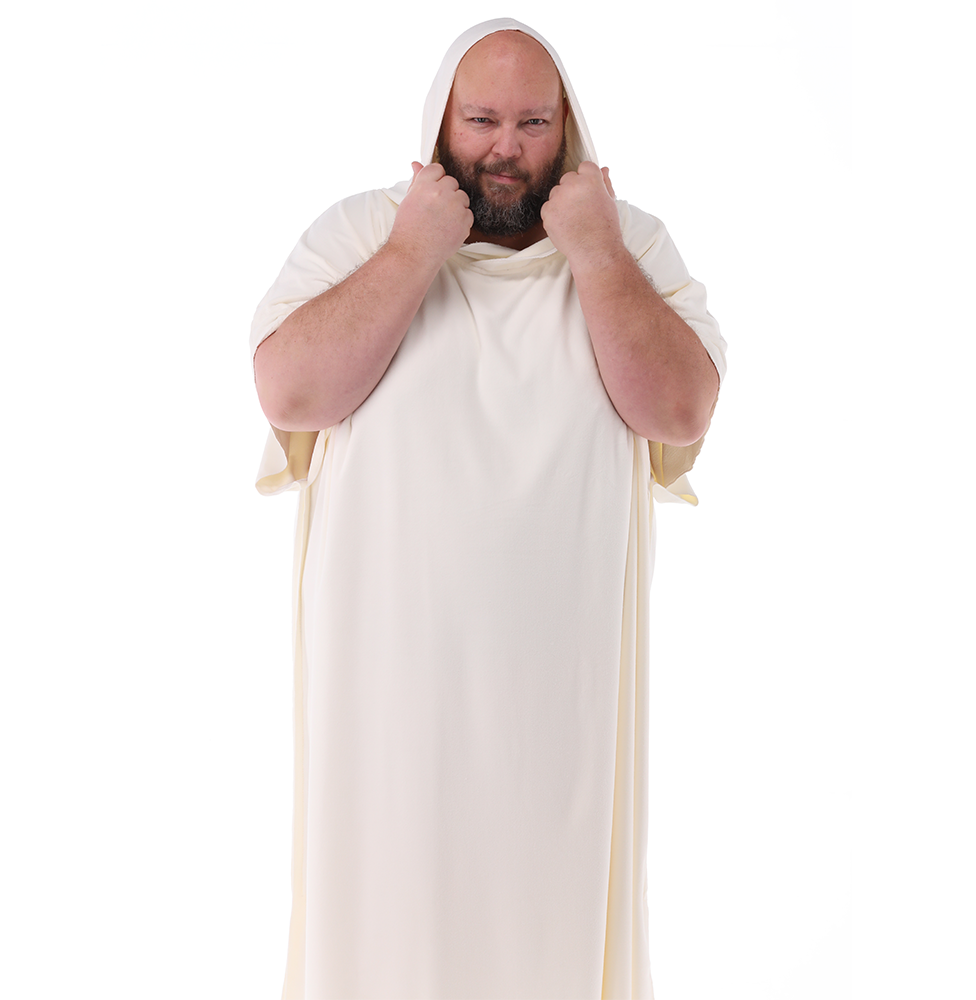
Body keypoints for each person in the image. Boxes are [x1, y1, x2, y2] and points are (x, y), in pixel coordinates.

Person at [250, 18, 725, 1000]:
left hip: (559, 705)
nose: (505, 147)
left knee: (545, 932)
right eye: (481, 120)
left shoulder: (626, 243)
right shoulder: (360, 233)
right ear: (440, 122)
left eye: (532, 123)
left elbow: (678, 409)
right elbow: (290, 393)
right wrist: (411, 251)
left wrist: (594, 253)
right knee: (387, 932)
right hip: (389, 702)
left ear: (567, 129)